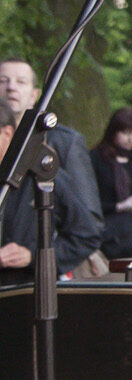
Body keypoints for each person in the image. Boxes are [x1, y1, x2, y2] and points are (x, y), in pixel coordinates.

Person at [0, 57, 104, 254]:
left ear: (35, 95)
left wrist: (34, 255)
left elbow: (89, 224)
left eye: (20, 82)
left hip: (39, 277)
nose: (11, 87)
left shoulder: (65, 142)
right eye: (3, 80)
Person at [0, 100, 102, 286]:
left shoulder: (42, 176)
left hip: (25, 294)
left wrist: (32, 255)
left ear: (7, 133)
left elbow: (87, 235)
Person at [91, 107, 132, 259]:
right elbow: (89, 201)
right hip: (109, 235)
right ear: (113, 132)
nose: (131, 139)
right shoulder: (97, 159)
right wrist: (120, 207)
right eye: (125, 133)